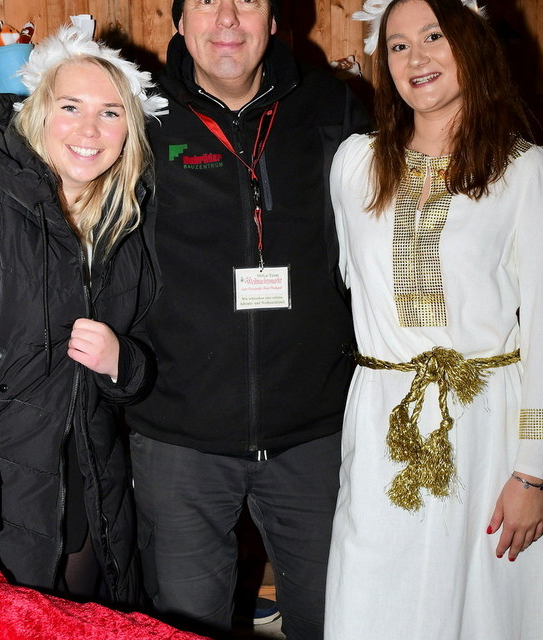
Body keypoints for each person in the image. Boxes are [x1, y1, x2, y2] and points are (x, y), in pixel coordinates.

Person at [324, 0, 543, 638]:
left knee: (488, 609)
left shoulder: (525, 171)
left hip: (488, 426)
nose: (416, 58)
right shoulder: (355, 164)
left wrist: (531, 473)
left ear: (472, 45)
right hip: (384, 417)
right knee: (373, 597)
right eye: (398, 45)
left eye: (434, 36)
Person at [123, 0, 370, 637]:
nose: (228, 19)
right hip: (178, 435)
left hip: (312, 434)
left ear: (275, 20)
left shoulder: (332, 109)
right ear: (179, 23)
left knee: (331, 619)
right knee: (185, 627)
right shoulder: (139, 114)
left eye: (248, 0)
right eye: (207, 1)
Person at [0, 26, 167, 604]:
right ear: (38, 112)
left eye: (110, 113)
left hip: (89, 487)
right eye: (71, 107)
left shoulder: (121, 220)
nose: (89, 130)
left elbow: (146, 349)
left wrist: (121, 361)